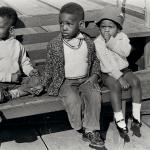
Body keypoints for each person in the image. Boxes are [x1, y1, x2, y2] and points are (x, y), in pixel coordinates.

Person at [32, 2, 107, 150]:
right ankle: (80, 126)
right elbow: (50, 68)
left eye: (69, 24)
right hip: (65, 82)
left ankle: (91, 131)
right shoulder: (55, 44)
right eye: (61, 23)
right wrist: (42, 83)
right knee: (73, 100)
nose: (64, 27)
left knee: (94, 96)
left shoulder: (87, 42)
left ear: (80, 24)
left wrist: (94, 76)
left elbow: (95, 61)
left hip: (85, 79)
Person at [94, 6, 142, 142]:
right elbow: (106, 65)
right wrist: (119, 78)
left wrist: (111, 42)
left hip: (123, 69)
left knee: (136, 82)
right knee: (115, 86)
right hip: (107, 73)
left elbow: (126, 52)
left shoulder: (122, 37)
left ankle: (136, 118)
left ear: (118, 28)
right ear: (99, 28)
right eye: (103, 27)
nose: (107, 30)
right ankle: (119, 120)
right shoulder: (98, 42)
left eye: (111, 26)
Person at [0, 6, 40, 103]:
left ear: (11, 30)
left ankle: (10, 94)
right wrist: (9, 77)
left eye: (0, 27)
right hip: (1, 82)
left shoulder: (17, 45)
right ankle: (11, 94)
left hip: (17, 82)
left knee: (38, 82)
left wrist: (30, 71)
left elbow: (24, 62)